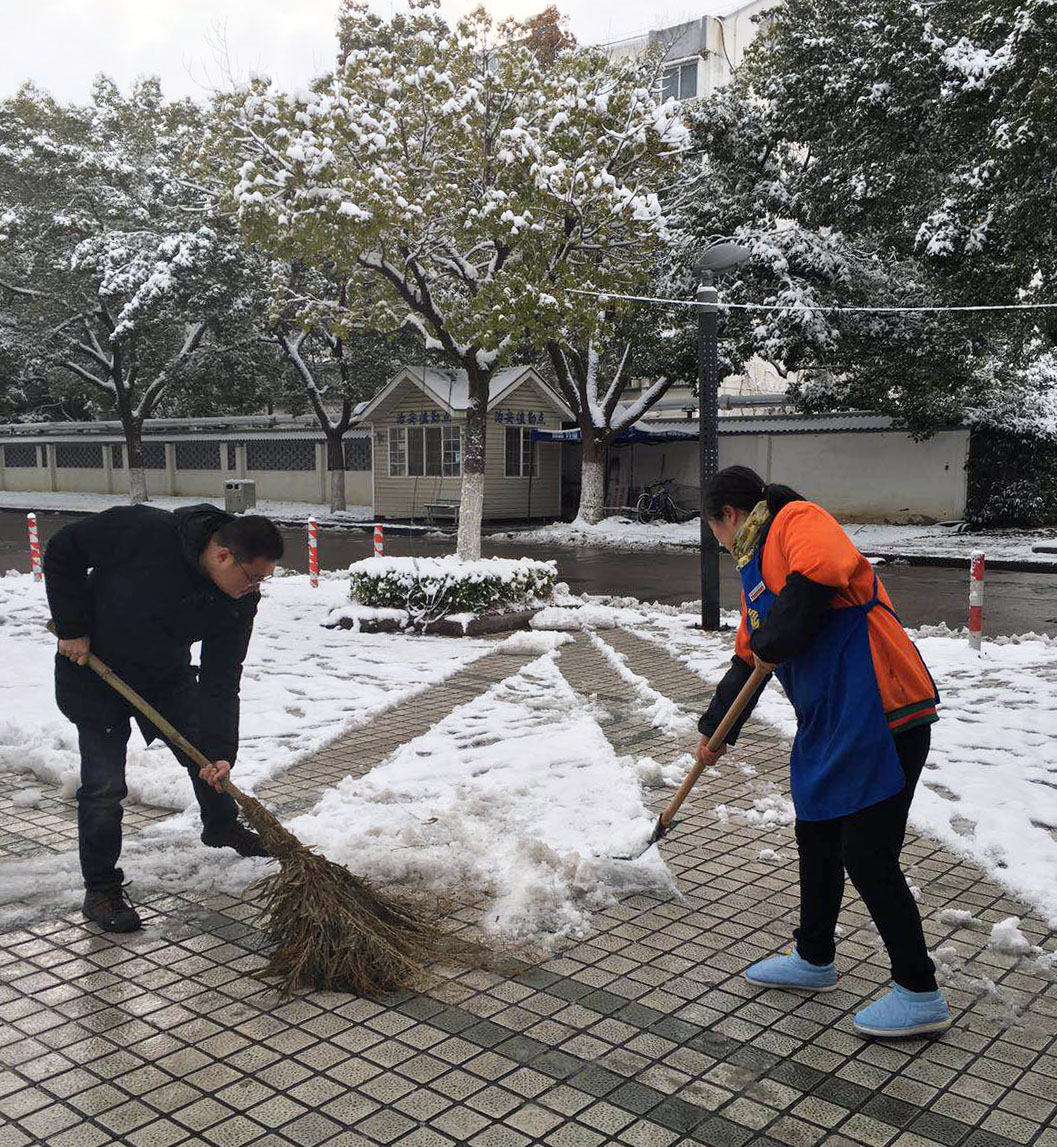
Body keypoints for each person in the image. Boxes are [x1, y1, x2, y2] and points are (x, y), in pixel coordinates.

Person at [696, 466, 949, 1039]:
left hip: (884, 713)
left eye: (711, 526)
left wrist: (774, 641)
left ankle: (919, 990)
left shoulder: (797, 521)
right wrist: (715, 730)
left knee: (866, 852)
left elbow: (822, 576)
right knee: (815, 834)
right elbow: (749, 659)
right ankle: (814, 958)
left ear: (728, 516)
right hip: (830, 722)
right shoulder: (755, 572)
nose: (714, 537)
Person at [45, 503, 284, 933]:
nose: (254, 589)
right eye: (252, 577)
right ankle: (100, 888)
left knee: (203, 757)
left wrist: (221, 751)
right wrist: (71, 625)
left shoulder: (236, 600)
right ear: (223, 555)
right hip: (95, 670)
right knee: (103, 788)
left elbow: (220, 677)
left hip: (164, 677)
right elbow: (63, 550)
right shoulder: (141, 530)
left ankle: (222, 826)